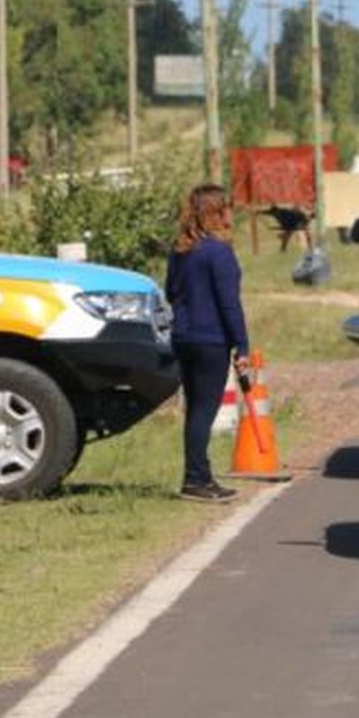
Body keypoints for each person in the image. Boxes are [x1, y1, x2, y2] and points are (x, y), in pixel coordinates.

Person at [166, 183, 250, 503]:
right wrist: (241, 345)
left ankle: (198, 475)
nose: (231, 214)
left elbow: (171, 291)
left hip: (183, 336)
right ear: (217, 212)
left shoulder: (180, 250)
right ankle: (197, 479)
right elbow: (229, 303)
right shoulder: (219, 252)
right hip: (211, 338)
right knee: (204, 410)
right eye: (227, 208)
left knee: (194, 409)